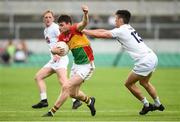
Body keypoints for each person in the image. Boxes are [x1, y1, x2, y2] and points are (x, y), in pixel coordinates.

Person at [83, 10, 165, 115]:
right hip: (152, 57)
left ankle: (146, 105)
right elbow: (104, 30)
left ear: (121, 19)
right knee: (144, 82)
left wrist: (84, 32)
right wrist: (86, 30)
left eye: (116, 19)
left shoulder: (121, 30)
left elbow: (102, 35)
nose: (115, 21)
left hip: (144, 61)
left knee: (128, 84)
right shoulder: (127, 28)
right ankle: (157, 104)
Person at [43, 5, 96, 117]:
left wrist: (86, 14)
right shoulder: (62, 37)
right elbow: (56, 48)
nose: (60, 28)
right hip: (76, 65)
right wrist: (53, 51)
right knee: (73, 93)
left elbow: (84, 23)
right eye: (59, 26)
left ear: (68, 24)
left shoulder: (75, 29)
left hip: (87, 65)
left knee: (66, 86)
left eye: (62, 25)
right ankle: (90, 101)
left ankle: (51, 112)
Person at [32, 10, 72, 109]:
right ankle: (44, 100)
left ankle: (76, 100)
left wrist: (59, 53)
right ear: (43, 19)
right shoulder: (46, 30)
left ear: (53, 19)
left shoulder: (55, 28)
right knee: (38, 77)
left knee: (64, 82)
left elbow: (63, 39)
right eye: (46, 17)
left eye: (50, 17)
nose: (48, 19)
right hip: (53, 60)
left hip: (60, 59)